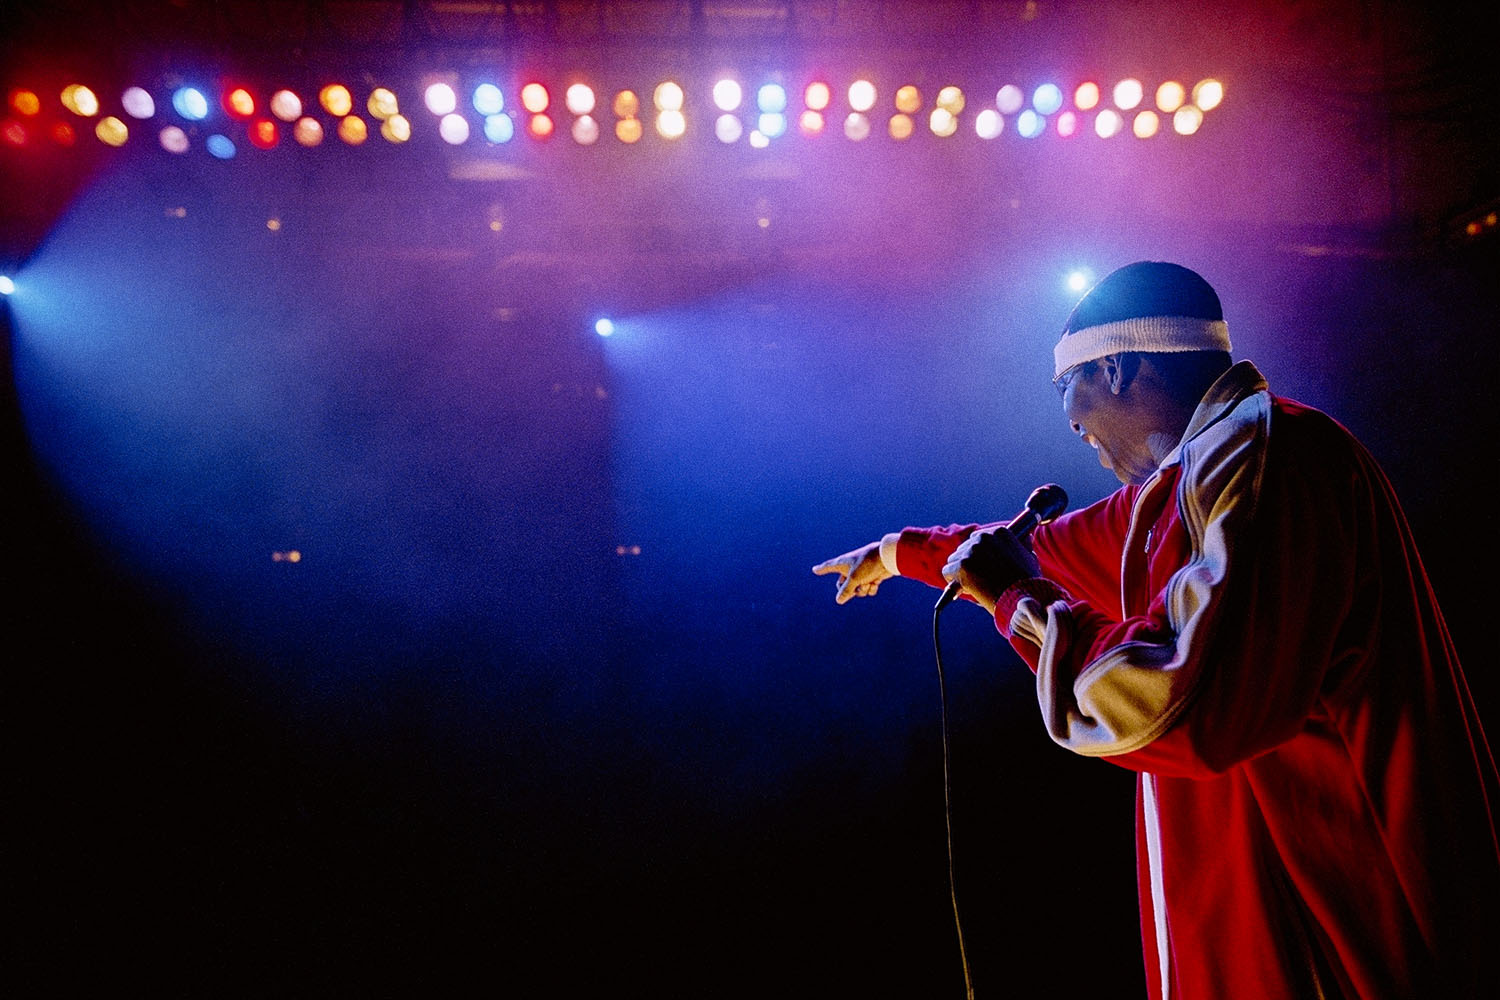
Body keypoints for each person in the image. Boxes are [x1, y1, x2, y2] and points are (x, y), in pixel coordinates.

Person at [813, 261, 1499, 998]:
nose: (1071, 424)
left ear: (1114, 367)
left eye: (1066, 390)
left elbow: (1184, 708)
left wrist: (1018, 602)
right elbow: (1036, 547)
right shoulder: (1183, 484)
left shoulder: (1269, 457)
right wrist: (899, 552)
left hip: (1349, 931)